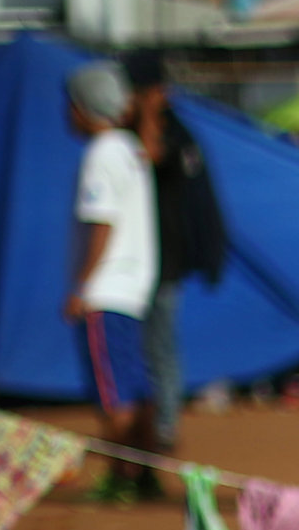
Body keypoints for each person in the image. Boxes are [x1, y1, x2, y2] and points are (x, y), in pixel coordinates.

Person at [122, 50, 228, 471]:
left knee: (159, 348)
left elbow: (153, 157)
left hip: (161, 260)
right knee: (140, 349)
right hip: (135, 261)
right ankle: (143, 428)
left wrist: (148, 110)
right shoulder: (142, 129)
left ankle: (161, 430)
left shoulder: (174, 133)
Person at [64, 59, 163, 502]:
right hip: (134, 288)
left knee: (112, 391)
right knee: (136, 385)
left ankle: (121, 478)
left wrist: (82, 287)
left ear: (85, 108)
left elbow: (101, 224)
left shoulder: (101, 154)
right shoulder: (128, 149)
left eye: (70, 105)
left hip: (106, 290)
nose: (66, 114)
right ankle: (146, 474)